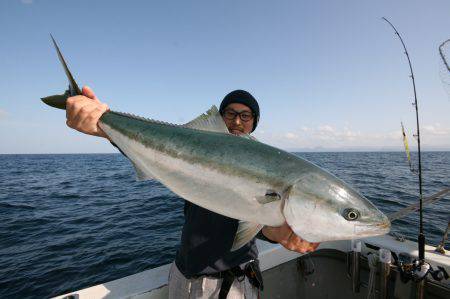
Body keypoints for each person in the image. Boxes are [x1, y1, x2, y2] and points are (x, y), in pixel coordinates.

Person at [66, 87, 320, 298]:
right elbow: (159, 152)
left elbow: (259, 221)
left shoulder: (268, 167)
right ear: (219, 119)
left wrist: (280, 232)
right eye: (230, 114)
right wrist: (104, 123)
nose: (237, 121)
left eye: (246, 116)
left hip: (232, 283)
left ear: (254, 123)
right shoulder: (195, 150)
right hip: (182, 273)